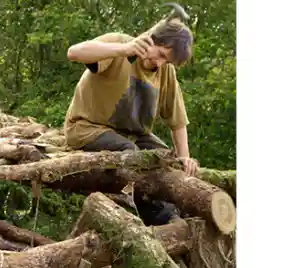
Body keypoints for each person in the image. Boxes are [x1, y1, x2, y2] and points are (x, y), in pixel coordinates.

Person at [63, 18, 199, 226]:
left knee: (166, 159)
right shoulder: (120, 44)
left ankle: (182, 212)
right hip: (87, 128)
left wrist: (184, 160)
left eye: (167, 61)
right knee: (132, 155)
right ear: (152, 39)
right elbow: (74, 52)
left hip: (133, 134)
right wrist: (122, 49)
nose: (160, 63)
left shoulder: (166, 72)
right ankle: (162, 220)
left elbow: (177, 122)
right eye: (161, 55)